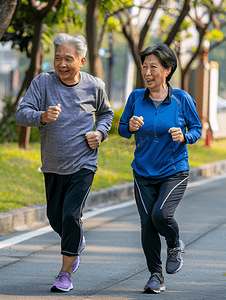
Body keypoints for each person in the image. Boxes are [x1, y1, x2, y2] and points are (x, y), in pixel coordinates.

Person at [16, 33, 114, 292]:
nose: (61, 63)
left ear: (81, 60)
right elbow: (21, 114)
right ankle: (75, 241)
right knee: (55, 218)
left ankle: (64, 273)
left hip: (83, 163)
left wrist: (100, 133)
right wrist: (42, 116)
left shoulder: (94, 85)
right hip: (52, 164)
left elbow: (107, 113)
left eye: (68, 59)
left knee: (71, 214)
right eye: (57, 57)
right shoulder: (42, 83)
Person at [118, 43, 202, 294]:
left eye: (153, 66)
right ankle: (156, 276)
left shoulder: (181, 99)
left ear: (167, 70)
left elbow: (197, 129)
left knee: (160, 215)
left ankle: (174, 243)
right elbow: (122, 128)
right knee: (147, 223)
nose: (147, 71)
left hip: (174, 169)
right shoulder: (135, 98)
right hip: (143, 172)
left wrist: (184, 135)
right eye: (144, 66)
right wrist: (131, 126)